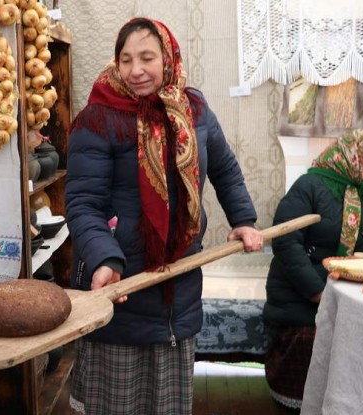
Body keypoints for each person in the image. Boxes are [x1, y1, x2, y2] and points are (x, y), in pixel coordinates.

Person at [64, 17, 263, 415]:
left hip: (180, 284)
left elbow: (224, 169)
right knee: (116, 405)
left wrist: (243, 219)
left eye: (147, 57)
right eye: (126, 59)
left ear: (168, 57)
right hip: (122, 289)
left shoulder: (197, 112)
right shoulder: (99, 119)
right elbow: (83, 202)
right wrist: (104, 258)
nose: (135, 70)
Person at [262, 129, 363, 410]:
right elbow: (285, 239)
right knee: (313, 340)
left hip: (344, 298)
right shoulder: (310, 185)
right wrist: (317, 291)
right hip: (300, 297)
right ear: (346, 152)